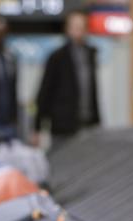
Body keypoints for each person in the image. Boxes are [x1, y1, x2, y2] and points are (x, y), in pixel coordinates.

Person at [34, 10, 101, 152]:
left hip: (87, 124)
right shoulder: (57, 57)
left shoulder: (90, 54)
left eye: (82, 27)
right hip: (63, 126)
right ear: (68, 29)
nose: (79, 31)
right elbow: (45, 92)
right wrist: (37, 126)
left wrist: (97, 121)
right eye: (75, 27)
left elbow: (93, 91)